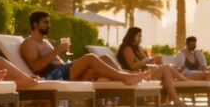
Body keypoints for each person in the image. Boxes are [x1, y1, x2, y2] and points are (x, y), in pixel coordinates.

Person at [20, 11, 151, 85]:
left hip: (64, 71)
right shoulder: (29, 44)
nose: (49, 25)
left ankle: (126, 77)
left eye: (49, 22)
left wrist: (62, 56)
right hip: (51, 76)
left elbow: (55, 61)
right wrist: (57, 50)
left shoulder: (45, 43)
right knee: (90, 58)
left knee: (103, 59)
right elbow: (36, 67)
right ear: (35, 24)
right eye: (45, 22)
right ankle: (126, 78)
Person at [116, 27, 188, 106]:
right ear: (132, 36)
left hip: (143, 73)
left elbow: (144, 62)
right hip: (136, 75)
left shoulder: (137, 49)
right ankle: (183, 82)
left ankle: (172, 98)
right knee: (166, 68)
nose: (140, 39)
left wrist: (153, 60)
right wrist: (147, 61)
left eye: (141, 36)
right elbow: (132, 66)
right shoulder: (127, 48)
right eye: (139, 36)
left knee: (166, 69)